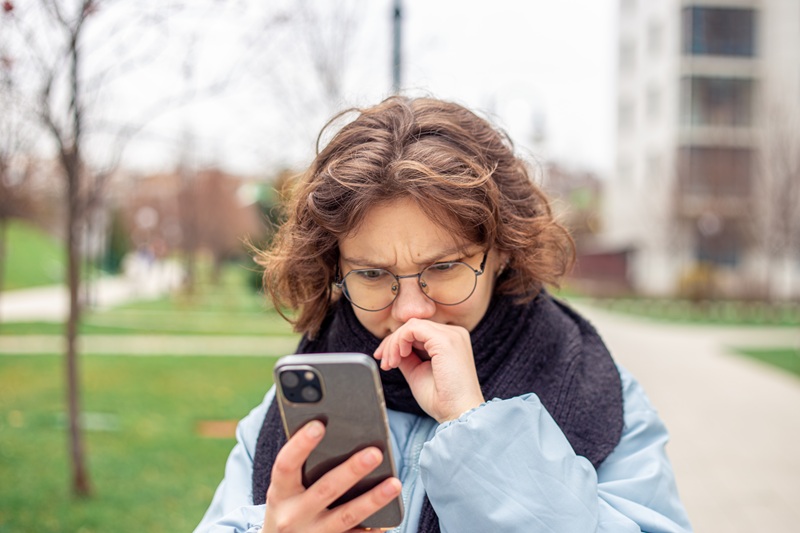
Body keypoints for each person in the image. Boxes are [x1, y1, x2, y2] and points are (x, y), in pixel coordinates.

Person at [194, 96, 692, 532]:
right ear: (334, 270)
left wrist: (473, 425)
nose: (412, 310)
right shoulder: (292, 407)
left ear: (501, 253)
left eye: (446, 266)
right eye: (371, 274)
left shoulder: (599, 393)